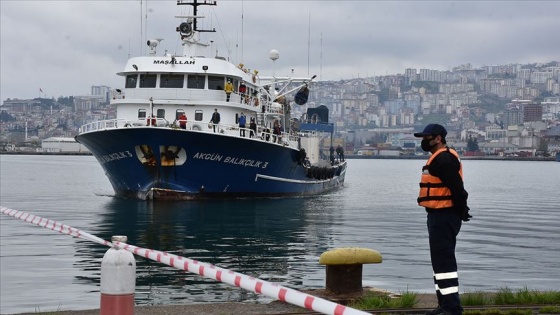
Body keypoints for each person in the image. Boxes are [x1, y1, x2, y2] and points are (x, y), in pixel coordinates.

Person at [413, 123, 472, 315]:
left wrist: (461, 210)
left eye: (426, 137)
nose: (423, 141)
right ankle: (444, 305)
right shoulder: (438, 158)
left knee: (444, 262)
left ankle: (452, 308)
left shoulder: (444, 159)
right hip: (438, 214)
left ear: (438, 138)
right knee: (439, 262)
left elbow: (458, 189)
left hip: (445, 215)